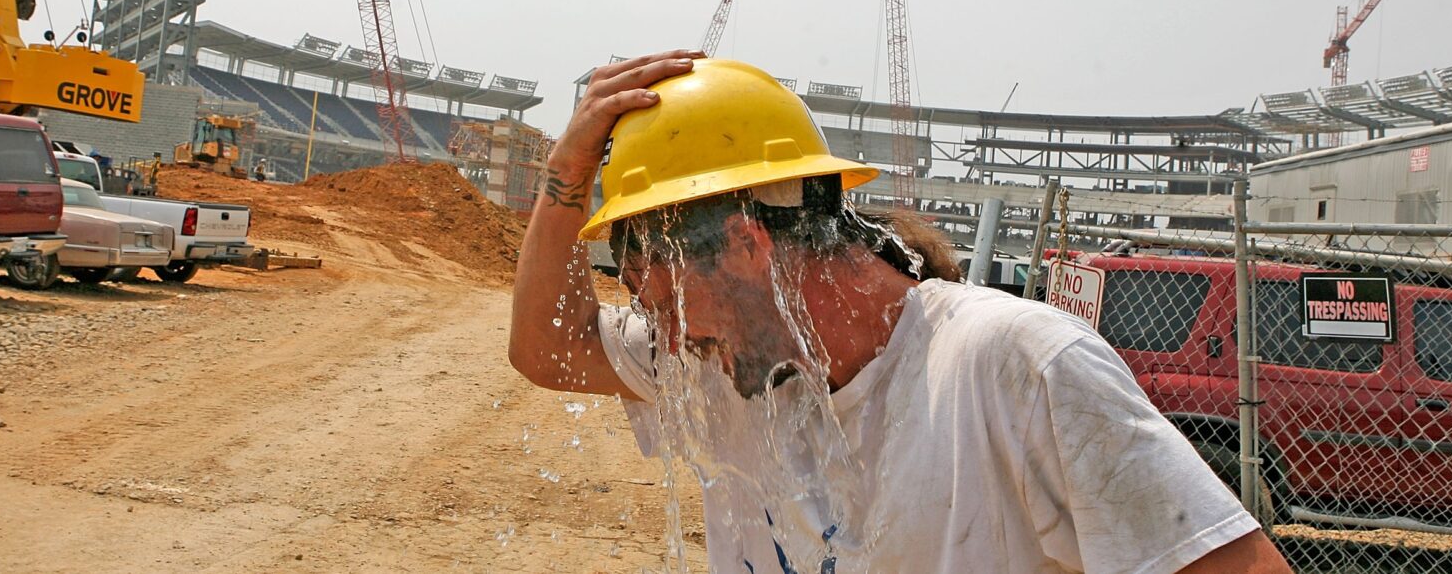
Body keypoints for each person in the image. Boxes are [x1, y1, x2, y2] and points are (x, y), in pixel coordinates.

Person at [509, 51, 1291, 574]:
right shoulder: (728, 364)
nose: (669, 336)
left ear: (748, 245)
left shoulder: (1012, 368)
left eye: (667, 301)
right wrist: (563, 178)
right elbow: (550, 348)